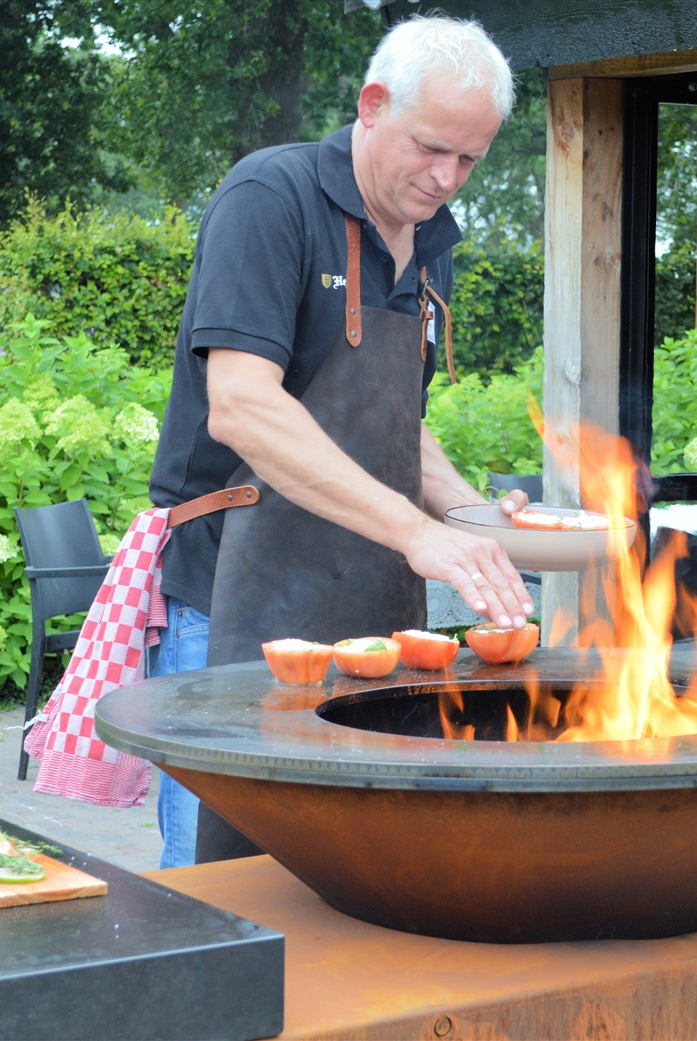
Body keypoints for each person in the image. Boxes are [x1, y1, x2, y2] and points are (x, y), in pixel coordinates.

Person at [146, 15, 533, 868]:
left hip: (368, 610)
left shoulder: (431, 244)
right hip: (229, 604)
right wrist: (416, 531)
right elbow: (243, 406)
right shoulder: (270, 199)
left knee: (359, 869)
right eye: (432, 148)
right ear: (370, 105)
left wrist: (472, 518)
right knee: (225, 884)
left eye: (470, 160)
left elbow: (394, 424)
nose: (446, 178)